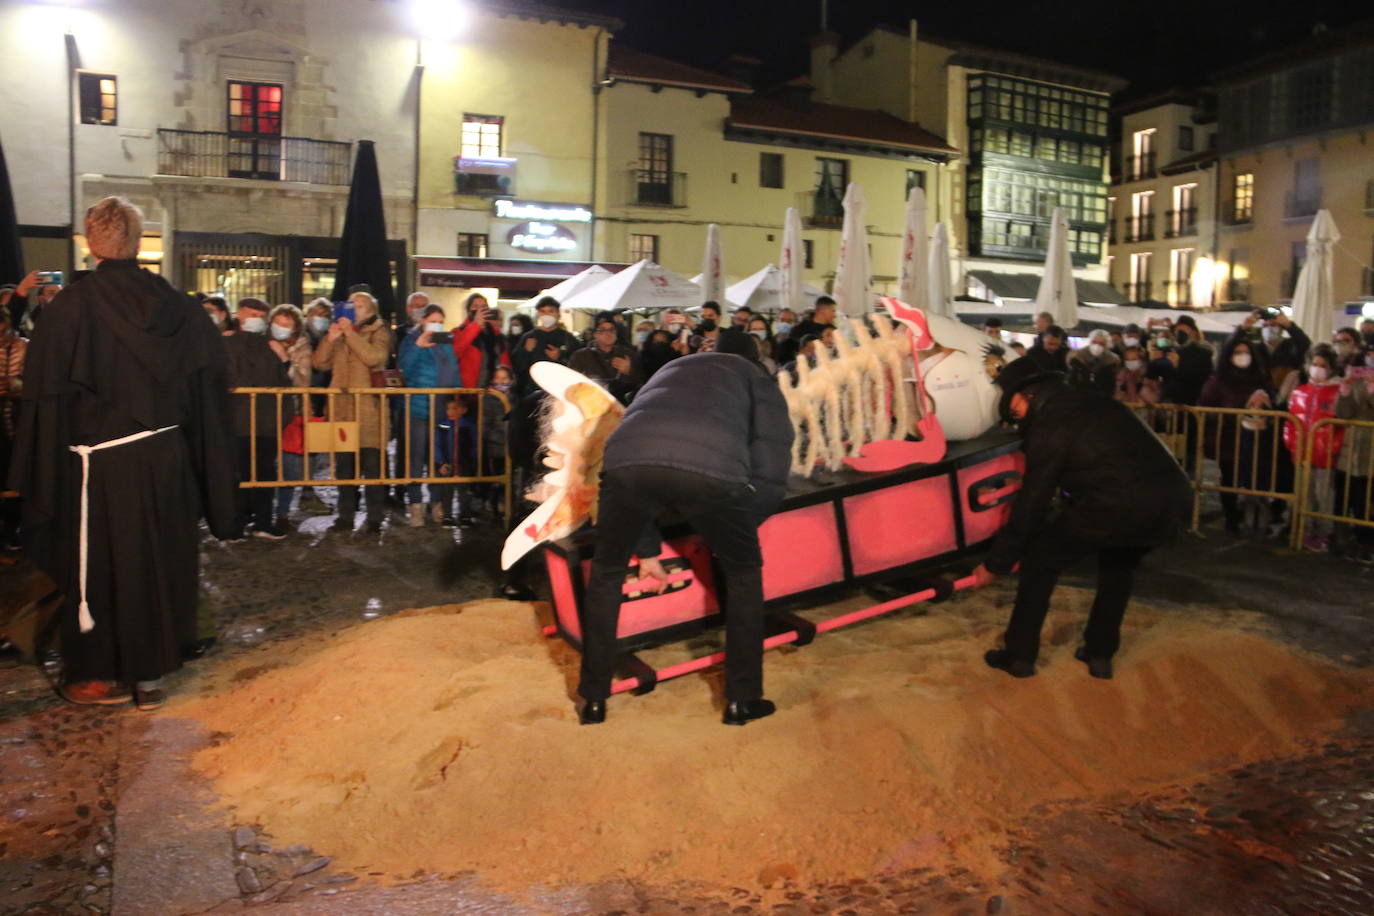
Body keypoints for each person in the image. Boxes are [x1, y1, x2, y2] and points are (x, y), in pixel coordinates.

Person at [7, 197, 237, 708]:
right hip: (166, 459)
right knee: (159, 560)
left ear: (91, 244)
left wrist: (45, 474)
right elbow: (210, 390)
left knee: (104, 569)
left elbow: (46, 400)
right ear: (138, 241)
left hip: (99, 466)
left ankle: (95, 674)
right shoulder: (180, 307)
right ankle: (150, 673)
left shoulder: (68, 308)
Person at [577, 327, 793, 726]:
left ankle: (593, 699)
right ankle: (741, 699)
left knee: (607, 574)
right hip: (713, 471)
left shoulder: (672, 367)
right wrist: (744, 522)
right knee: (744, 575)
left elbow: (645, 443)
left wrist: (646, 551)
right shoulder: (755, 378)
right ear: (753, 358)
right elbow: (772, 457)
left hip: (625, 462)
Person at [970, 357, 1191, 680]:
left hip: (1113, 503)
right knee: (1119, 564)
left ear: (1027, 394)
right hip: (1169, 500)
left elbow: (1032, 503)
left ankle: (1018, 655)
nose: (1011, 412)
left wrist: (996, 563)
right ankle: (1100, 654)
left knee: (1041, 559)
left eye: (1010, 402)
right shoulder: (1094, 404)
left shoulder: (1051, 422)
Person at [311, 290, 393, 533]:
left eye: (359, 305)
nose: (353, 308)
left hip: (369, 409)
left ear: (370, 310)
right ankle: (345, 515)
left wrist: (350, 334)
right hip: (341, 409)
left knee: (372, 466)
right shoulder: (340, 331)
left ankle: (375, 518)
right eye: (351, 304)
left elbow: (373, 358)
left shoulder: (379, 331)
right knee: (344, 466)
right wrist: (331, 337)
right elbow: (319, 363)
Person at [224, 298, 291, 539]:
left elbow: (284, 382)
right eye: (252, 314)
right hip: (238, 420)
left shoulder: (270, 346)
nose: (257, 319)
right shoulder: (226, 343)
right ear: (240, 314)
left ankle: (262, 522)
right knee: (239, 473)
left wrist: (284, 360)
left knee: (264, 473)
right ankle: (236, 523)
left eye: (261, 316)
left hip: (266, 420)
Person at [1198, 335, 1275, 533]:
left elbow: (1273, 405)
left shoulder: (1261, 379)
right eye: (1238, 352)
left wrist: (1264, 405)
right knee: (1230, 479)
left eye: (1246, 352)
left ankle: (1256, 519)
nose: (1243, 356)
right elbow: (1205, 410)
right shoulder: (1218, 381)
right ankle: (1232, 518)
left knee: (1257, 480)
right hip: (1227, 440)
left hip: (1257, 439)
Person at [399, 304, 460, 526]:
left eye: (440, 320)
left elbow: (454, 370)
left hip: (442, 410)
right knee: (415, 458)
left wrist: (457, 398)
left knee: (440, 458)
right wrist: (418, 345)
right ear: (423, 320)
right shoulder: (410, 340)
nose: (436, 324)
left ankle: (437, 504)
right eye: (433, 320)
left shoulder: (445, 343)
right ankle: (415, 506)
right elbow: (403, 366)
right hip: (418, 409)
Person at [1284, 345, 1344, 552]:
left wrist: (1333, 448)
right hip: (1301, 454)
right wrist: (1292, 444)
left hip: (1326, 456)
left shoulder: (1338, 393)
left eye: (1323, 365)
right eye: (1315, 364)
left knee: (1324, 496)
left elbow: (1342, 426)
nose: (1318, 369)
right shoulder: (1299, 392)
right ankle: (1305, 530)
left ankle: (1324, 534)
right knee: (1304, 493)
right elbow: (1290, 422)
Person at [267, 304, 313, 531]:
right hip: (262, 412)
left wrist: (286, 360)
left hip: (291, 413)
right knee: (262, 465)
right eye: (278, 323)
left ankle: (282, 512)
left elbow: (304, 381)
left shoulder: (303, 349)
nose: (281, 328)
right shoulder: (259, 342)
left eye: (287, 325)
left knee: (289, 466)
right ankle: (260, 511)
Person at [1335, 346, 1374, 559]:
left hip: (1371, 449)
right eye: (1370, 354)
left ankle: (1368, 540)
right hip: (1352, 448)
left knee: (1369, 498)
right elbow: (1342, 413)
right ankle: (1349, 537)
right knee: (1350, 494)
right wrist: (1345, 391)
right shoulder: (1357, 379)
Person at [0, 308, 28, 550]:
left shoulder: (22, 346)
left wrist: (16, 386)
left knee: (13, 471)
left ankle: (12, 529)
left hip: (14, 417)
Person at [569, 315, 645, 404]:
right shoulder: (580, 356)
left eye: (611, 329)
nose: (608, 333)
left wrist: (629, 370)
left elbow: (643, 382)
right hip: (592, 404)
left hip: (622, 406)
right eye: (602, 330)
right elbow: (571, 383)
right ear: (595, 334)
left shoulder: (628, 354)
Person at [511, 297, 577, 395]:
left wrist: (560, 357)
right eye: (543, 311)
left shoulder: (568, 338)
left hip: (560, 390)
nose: (546, 315)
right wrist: (526, 351)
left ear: (558, 314)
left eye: (551, 311)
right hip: (532, 390)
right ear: (538, 314)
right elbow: (517, 365)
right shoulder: (528, 337)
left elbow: (577, 364)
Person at [450, 293, 511, 389]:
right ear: (468, 310)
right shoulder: (458, 331)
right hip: (469, 392)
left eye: (483, 306)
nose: (479, 310)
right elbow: (455, 352)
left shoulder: (496, 334)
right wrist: (476, 326)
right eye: (475, 306)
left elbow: (504, 362)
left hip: (494, 390)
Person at [1066, 328, 1120, 395]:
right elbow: (1071, 381)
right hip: (1079, 396)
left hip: (1101, 397)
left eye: (1101, 344)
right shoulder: (1077, 357)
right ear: (1089, 342)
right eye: (1094, 342)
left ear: (1106, 345)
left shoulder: (1111, 361)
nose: (1097, 346)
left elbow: (1111, 384)